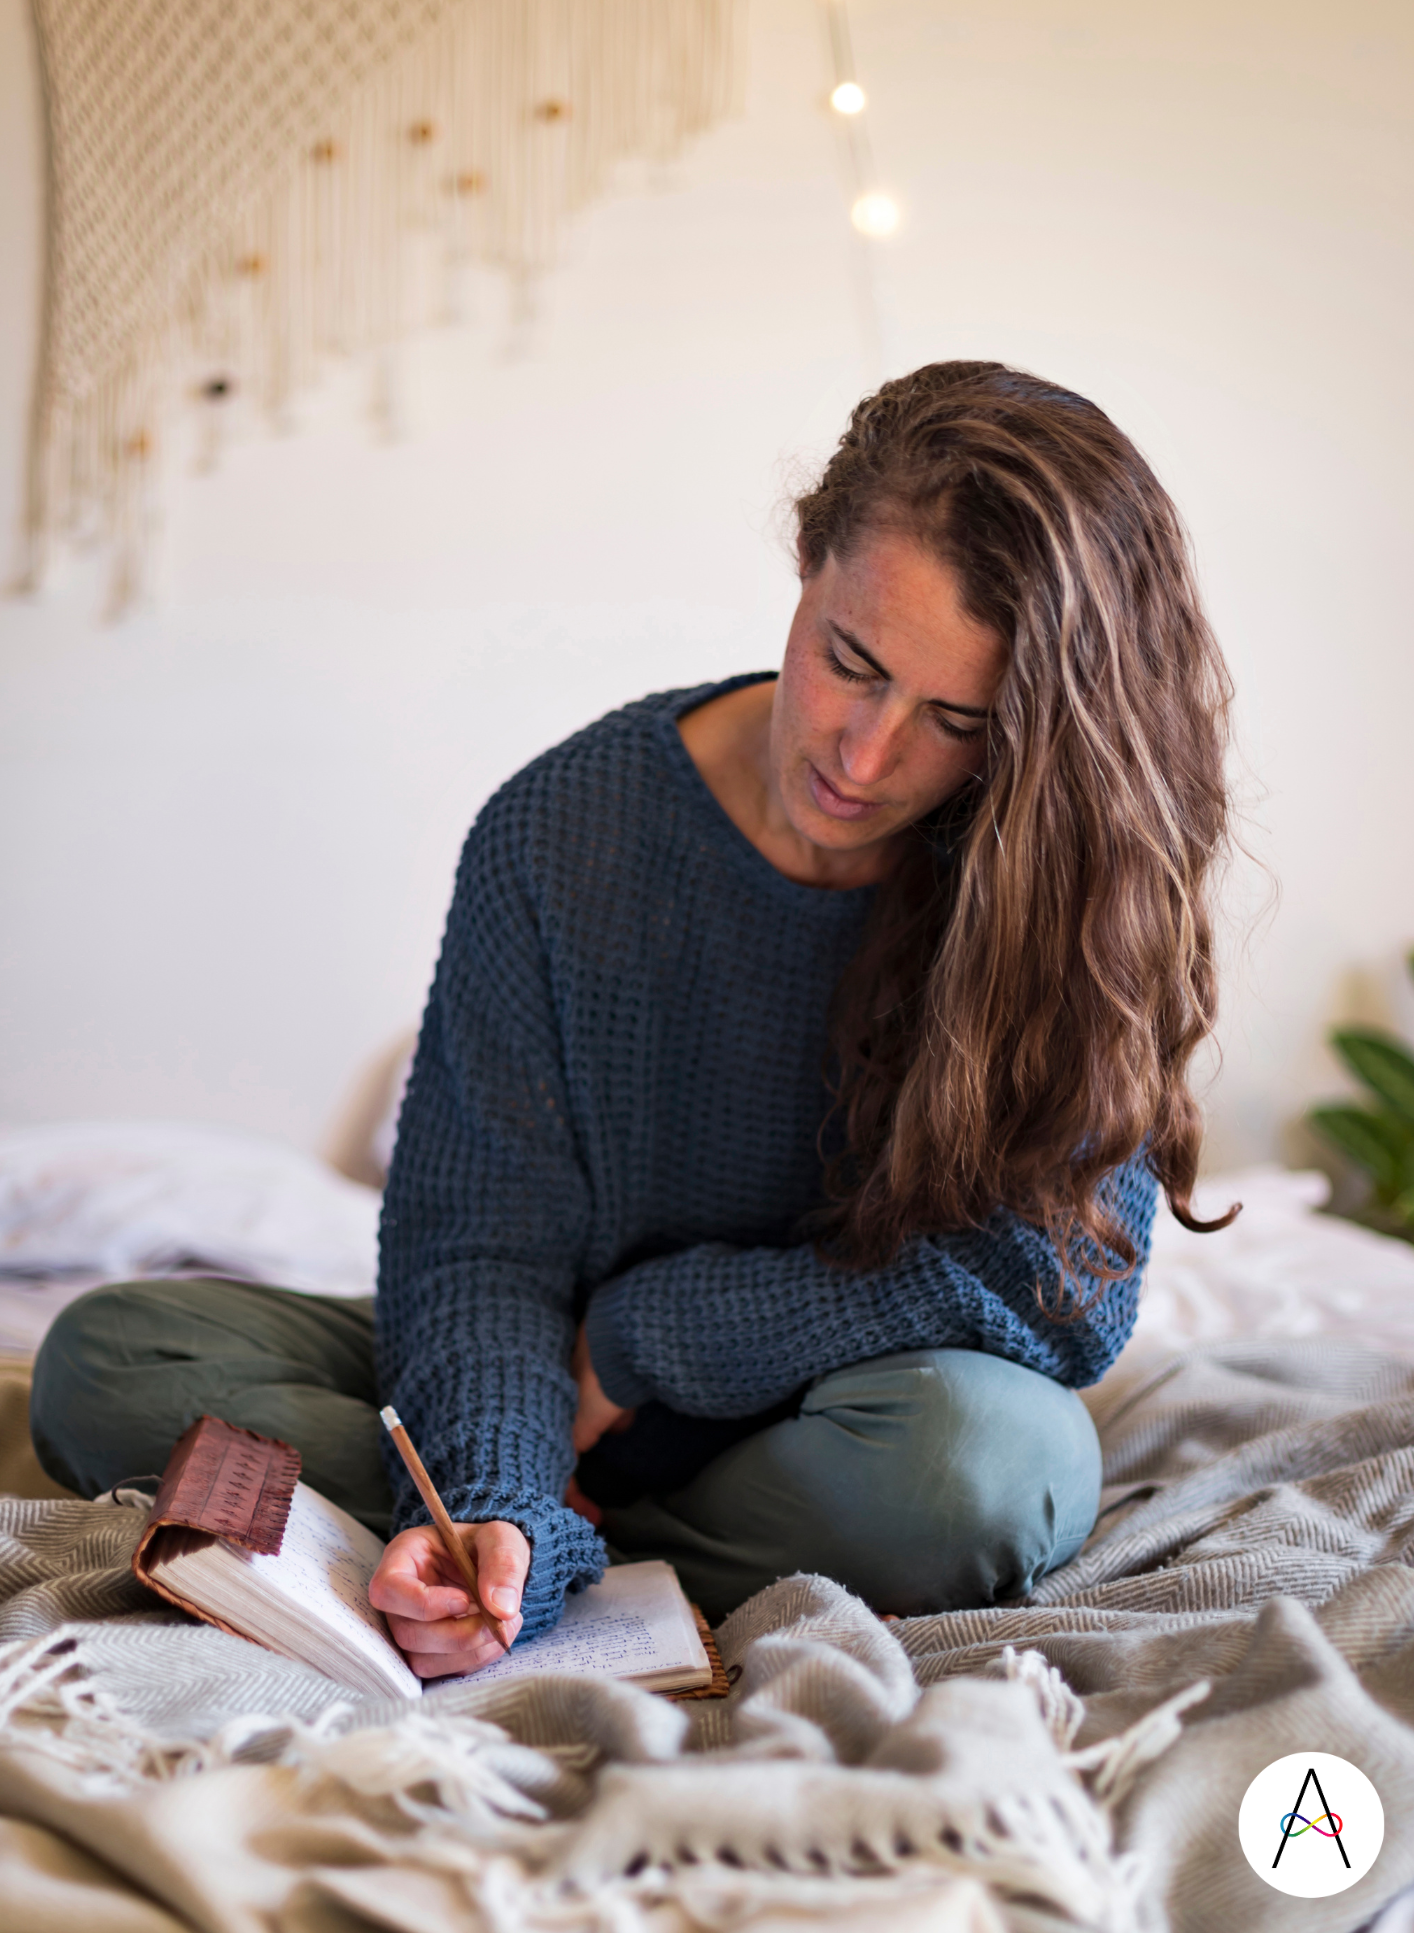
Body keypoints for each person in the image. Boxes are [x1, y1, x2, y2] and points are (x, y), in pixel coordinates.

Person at [31, 362, 1235, 1682]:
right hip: (549, 1381)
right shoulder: (562, 831)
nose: (865, 754)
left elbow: (1059, 1292)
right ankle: (559, 1556)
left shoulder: (1070, 874)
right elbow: (477, 1246)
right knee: (107, 1359)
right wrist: (498, 1496)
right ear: (804, 561)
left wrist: (649, 1337)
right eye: (850, 662)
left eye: (956, 722)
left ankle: (536, 1553)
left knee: (992, 1468)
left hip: (836, 1413)